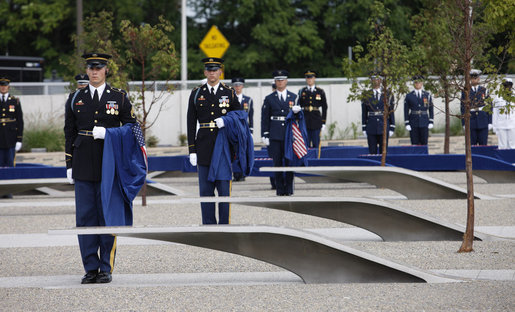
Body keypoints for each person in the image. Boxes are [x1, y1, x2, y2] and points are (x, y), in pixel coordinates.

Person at [64, 53, 137, 284]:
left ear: (106, 70)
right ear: (87, 71)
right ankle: (90, 267)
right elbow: (69, 133)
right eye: (91, 68)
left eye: (99, 68)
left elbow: (134, 131)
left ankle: (106, 267)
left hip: (109, 165)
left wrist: (110, 133)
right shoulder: (75, 98)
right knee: (85, 218)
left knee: (108, 216)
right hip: (83, 163)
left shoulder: (119, 97)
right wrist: (69, 164)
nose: (94, 72)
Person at [187, 57, 241, 224]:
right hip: (203, 146)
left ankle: (225, 225)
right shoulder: (197, 93)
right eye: (209, 70)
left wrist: (227, 121)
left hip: (223, 146)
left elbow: (240, 117)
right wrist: (192, 150)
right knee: (205, 190)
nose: (212, 73)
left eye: (215, 70)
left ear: (220, 72)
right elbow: (190, 123)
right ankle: (208, 226)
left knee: (224, 190)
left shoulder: (229, 93)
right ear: (205, 72)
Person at [261, 70, 299, 196]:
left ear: (286, 81)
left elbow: (298, 119)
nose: (280, 82)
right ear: (275, 82)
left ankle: (289, 188)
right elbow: (265, 117)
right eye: (278, 80)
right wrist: (265, 134)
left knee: (289, 162)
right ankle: (279, 189)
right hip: (275, 133)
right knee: (277, 162)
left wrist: (298, 113)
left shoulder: (294, 97)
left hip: (289, 134)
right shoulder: (269, 98)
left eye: (282, 80)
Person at [0, 76, 23, 198]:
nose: (3, 87)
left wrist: (19, 139)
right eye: (1, 85)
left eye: (5, 86)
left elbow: (20, 121)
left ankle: (8, 191)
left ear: (8, 87)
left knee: (9, 164)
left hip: (10, 138)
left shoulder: (15, 101)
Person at [361, 74, 395, 154]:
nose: (376, 81)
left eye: (378, 79)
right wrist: (364, 127)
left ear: (381, 80)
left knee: (383, 152)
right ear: (371, 80)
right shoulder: (366, 94)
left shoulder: (388, 93)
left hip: (383, 125)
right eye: (374, 79)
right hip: (371, 126)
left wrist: (392, 126)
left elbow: (391, 111)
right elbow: (364, 112)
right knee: (372, 151)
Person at [297, 70, 327, 150]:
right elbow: (298, 106)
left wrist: (323, 122)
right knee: (305, 143)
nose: (309, 80)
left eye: (311, 78)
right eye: (308, 78)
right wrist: (298, 120)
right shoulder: (302, 91)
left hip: (316, 120)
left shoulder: (320, 91)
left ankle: (316, 160)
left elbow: (324, 107)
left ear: (314, 79)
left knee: (316, 143)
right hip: (305, 119)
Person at [461, 69, 492, 145]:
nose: (474, 80)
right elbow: (462, 108)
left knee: (483, 145)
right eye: (472, 78)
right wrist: (463, 123)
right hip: (471, 121)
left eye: (476, 78)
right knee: (472, 146)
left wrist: (490, 121)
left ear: (479, 78)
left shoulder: (484, 90)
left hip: (483, 120)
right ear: (470, 79)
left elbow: (490, 106)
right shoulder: (465, 91)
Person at [231, 77, 253, 182]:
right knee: (235, 152)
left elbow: (251, 116)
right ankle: (236, 173)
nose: (237, 87)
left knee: (243, 151)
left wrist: (251, 130)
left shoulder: (248, 100)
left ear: (242, 86)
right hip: (234, 128)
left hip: (244, 128)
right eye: (235, 85)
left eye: (239, 85)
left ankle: (243, 172)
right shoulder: (230, 98)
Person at [403, 75, 434, 145]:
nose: (417, 84)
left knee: (424, 142)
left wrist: (431, 120)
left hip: (424, 121)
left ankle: (424, 156)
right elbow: (406, 110)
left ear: (422, 83)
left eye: (419, 82)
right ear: (414, 83)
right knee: (414, 142)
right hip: (413, 122)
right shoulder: (409, 96)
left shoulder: (427, 95)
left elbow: (431, 108)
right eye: (416, 82)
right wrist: (407, 123)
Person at [492, 78, 515, 149]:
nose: (507, 88)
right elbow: (495, 113)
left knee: (513, 146)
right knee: (502, 146)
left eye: (509, 86)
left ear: (511, 86)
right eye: (505, 86)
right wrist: (494, 127)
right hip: (501, 125)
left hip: (512, 124)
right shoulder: (498, 98)